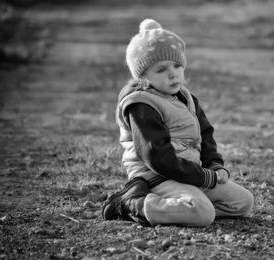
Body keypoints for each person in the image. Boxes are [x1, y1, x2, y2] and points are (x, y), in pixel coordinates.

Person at [101, 18, 254, 227]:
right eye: (161, 70)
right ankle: (133, 203)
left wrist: (214, 166)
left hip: (191, 173)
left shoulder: (185, 96)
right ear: (143, 76)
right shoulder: (141, 104)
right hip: (156, 177)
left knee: (243, 202)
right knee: (203, 214)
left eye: (177, 65)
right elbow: (157, 156)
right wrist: (203, 178)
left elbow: (206, 133)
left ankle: (182, 206)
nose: (173, 74)